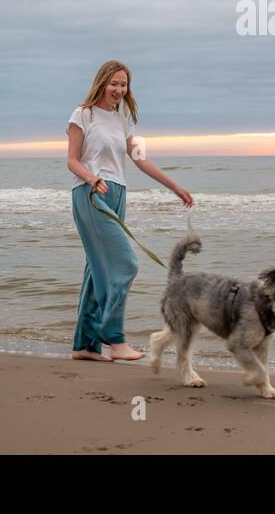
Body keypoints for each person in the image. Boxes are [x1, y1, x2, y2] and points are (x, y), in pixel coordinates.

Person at [66, 60, 193, 361]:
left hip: (118, 193)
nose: (119, 90)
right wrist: (92, 178)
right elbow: (71, 160)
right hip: (92, 193)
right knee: (125, 265)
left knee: (95, 271)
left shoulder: (123, 119)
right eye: (114, 84)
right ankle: (114, 338)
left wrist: (174, 187)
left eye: (124, 85)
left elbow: (140, 160)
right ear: (102, 83)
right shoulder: (82, 114)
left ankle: (85, 346)